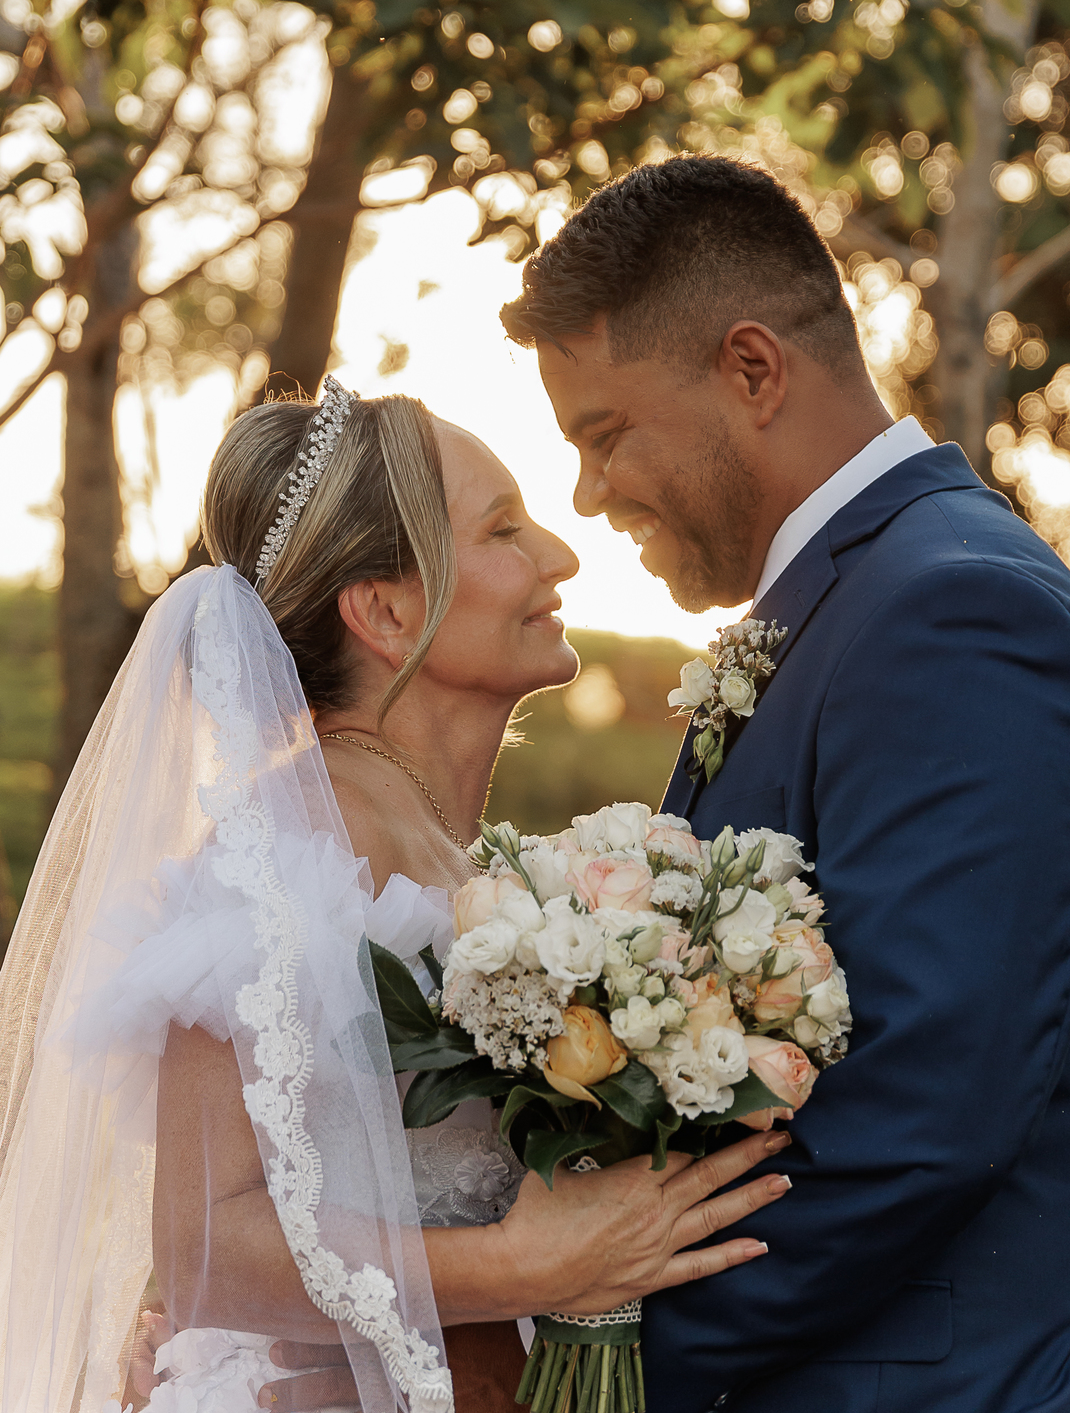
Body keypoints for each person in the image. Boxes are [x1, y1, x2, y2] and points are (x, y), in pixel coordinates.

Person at [497, 152, 1070, 1413]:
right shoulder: (853, 605)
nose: (588, 492)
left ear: (752, 370)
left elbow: (918, 1121)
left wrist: (591, 1355)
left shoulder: (959, 616)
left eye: (605, 433)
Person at [0, 382, 789, 1413]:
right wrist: (524, 1268)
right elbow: (201, 1247)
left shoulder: (473, 869)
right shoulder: (281, 854)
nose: (559, 555)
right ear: (384, 612)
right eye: (503, 529)